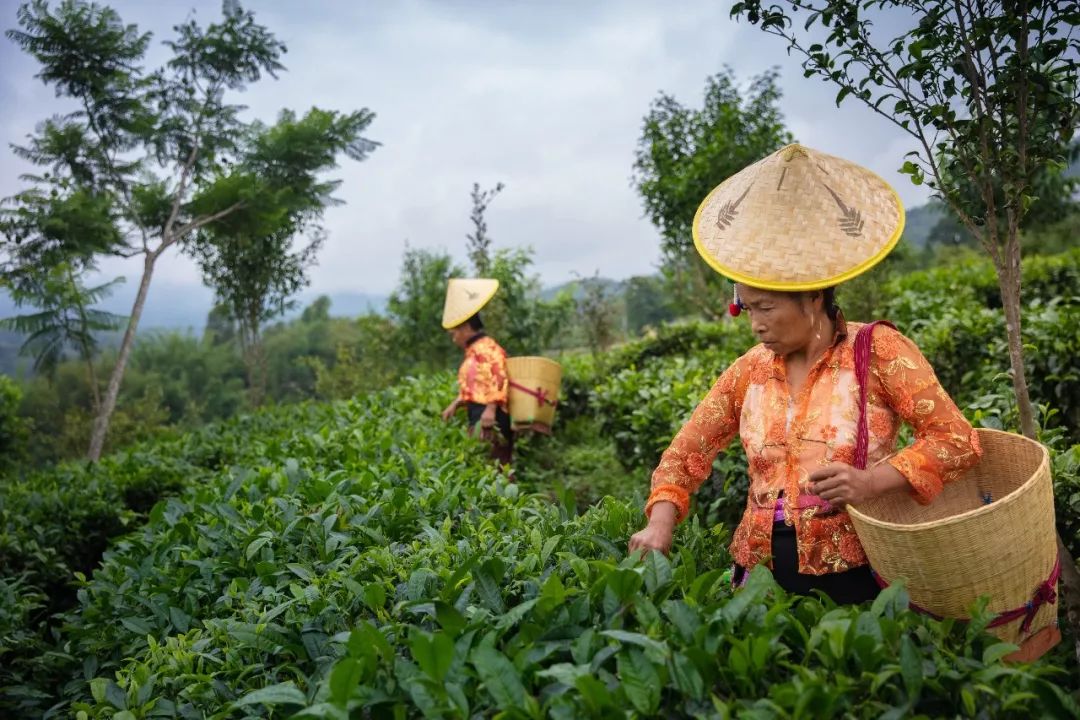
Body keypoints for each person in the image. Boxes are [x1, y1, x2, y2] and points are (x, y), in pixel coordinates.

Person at [628, 144, 983, 604]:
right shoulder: (749, 371)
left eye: (767, 308)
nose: (756, 325)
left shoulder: (878, 351)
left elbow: (955, 439)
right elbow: (684, 455)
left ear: (813, 297)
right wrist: (659, 523)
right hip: (760, 576)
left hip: (860, 570)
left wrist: (870, 482)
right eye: (748, 309)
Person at [440, 279, 515, 469]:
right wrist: (456, 403)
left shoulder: (487, 348)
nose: (454, 339)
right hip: (479, 413)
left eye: (454, 333)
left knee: (495, 466)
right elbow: (478, 385)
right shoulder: (475, 350)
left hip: (490, 416)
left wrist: (490, 410)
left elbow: (499, 378)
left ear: (466, 327)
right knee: (484, 465)